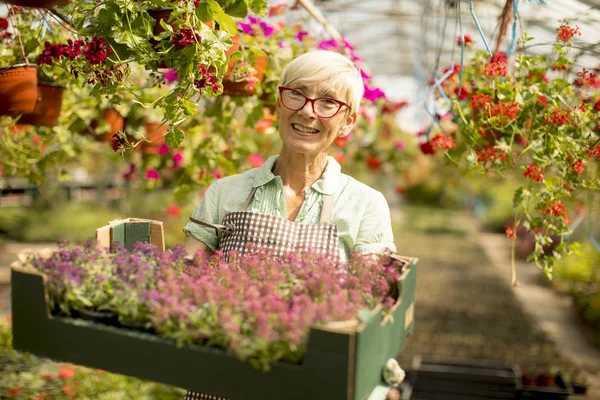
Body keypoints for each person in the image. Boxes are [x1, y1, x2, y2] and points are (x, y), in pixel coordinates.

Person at [183, 50, 396, 265]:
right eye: (296, 93)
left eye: (328, 101)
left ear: (348, 122)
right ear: (278, 105)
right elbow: (185, 276)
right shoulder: (224, 193)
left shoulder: (365, 204)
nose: (307, 111)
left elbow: (367, 289)